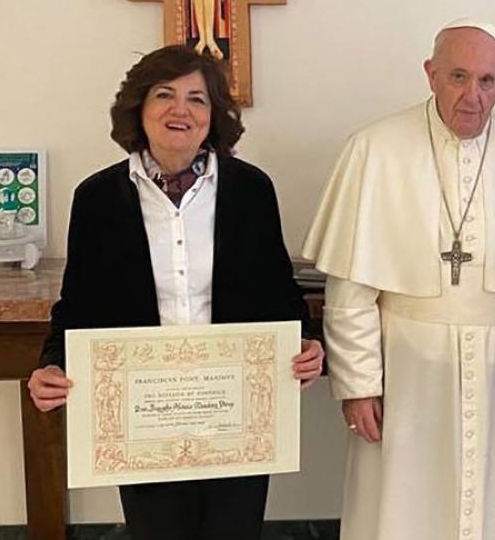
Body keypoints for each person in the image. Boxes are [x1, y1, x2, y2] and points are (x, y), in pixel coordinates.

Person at [26, 45, 324, 540]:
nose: (179, 110)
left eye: (196, 98)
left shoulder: (251, 190)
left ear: (213, 115)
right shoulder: (97, 198)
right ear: (138, 108)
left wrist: (307, 343)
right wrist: (53, 363)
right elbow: (78, 305)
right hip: (143, 413)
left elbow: (277, 293)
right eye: (164, 95)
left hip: (235, 408)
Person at [301, 18, 495, 540]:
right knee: (407, 505)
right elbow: (351, 290)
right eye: (458, 77)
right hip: (408, 366)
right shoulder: (374, 149)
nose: (472, 96)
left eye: (486, 81)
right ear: (430, 74)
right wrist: (359, 384)